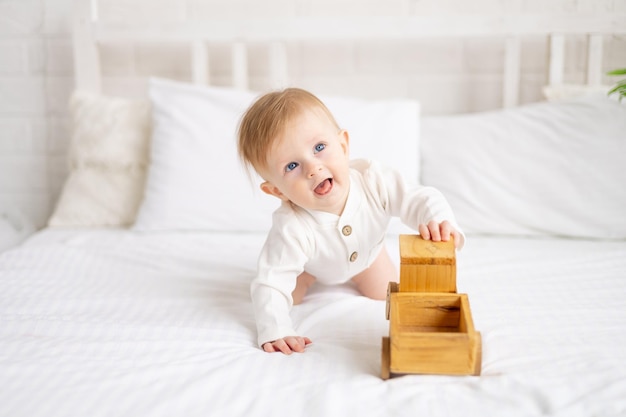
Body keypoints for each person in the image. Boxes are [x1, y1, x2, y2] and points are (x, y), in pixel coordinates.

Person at [237, 88, 464, 355]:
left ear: (343, 145)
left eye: (319, 148)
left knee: (387, 297)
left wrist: (438, 220)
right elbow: (271, 281)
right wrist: (276, 329)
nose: (313, 168)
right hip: (310, 268)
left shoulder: (373, 181)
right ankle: (300, 289)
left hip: (369, 257)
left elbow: (418, 198)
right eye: (292, 166)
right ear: (277, 191)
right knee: (288, 299)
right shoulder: (291, 227)